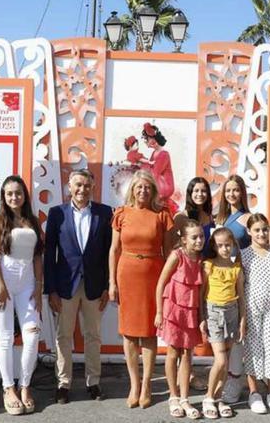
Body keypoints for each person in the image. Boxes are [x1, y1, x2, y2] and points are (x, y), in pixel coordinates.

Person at [44, 169, 113, 404]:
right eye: (78, 185)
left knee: (93, 335)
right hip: (64, 286)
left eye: (86, 185)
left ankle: (93, 382)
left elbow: (108, 254)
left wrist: (106, 286)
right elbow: (49, 254)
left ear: (92, 187)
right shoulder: (56, 214)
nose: (82, 189)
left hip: (94, 286)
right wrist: (50, 289)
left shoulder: (104, 213)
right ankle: (63, 384)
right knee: (63, 336)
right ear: (69, 187)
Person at [109, 170, 175, 409]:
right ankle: (134, 385)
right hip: (126, 274)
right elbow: (114, 250)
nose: (143, 191)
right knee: (128, 333)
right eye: (139, 187)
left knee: (148, 332)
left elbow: (168, 253)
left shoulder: (162, 215)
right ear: (132, 190)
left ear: (153, 191)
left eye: (147, 187)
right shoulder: (121, 214)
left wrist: (169, 285)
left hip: (153, 277)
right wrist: (111, 283)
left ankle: (147, 384)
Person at [0, 175, 44, 415]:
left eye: (18, 193)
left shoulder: (32, 220)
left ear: (24, 195)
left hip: (28, 283)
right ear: (3, 196)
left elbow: (38, 256)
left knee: (32, 335)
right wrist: (0, 286)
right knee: (6, 337)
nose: (14, 197)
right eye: (9, 193)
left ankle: (25, 386)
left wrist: (39, 288)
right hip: (2, 282)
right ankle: (8, 388)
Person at [155, 219, 205, 419]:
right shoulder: (176, 256)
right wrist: (159, 312)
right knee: (173, 352)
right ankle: (173, 396)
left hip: (191, 311)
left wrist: (201, 316)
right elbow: (160, 284)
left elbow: (200, 293)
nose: (199, 240)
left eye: (201, 236)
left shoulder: (201, 260)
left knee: (188, 354)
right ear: (184, 240)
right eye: (194, 237)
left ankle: (185, 397)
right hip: (173, 310)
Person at [241, 214, 270, 415]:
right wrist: (242, 315)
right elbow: (240, 287)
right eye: (257, 230)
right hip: (251, 307)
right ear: (249, 232)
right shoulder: (243, 255)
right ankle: (254, 393)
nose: (261, 233)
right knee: (252, 348)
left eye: (265, 229)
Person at [174, 176, 215, 392]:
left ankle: (188, 372)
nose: (200, 194)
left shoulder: (209, 216)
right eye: (196, 191)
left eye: (204, 191)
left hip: (206, 274)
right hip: (187, 277)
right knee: (184, 326)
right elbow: (174, 247)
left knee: (196, 324)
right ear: (190, 194)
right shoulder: (181, 217)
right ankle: (186, 375)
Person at [200, 228, 245, 419]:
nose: (225, 249)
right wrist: (202, 318)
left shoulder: (236, 268)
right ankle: (208, 397)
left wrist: (242, 321)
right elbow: (201, 295)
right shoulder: (208, 265)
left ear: (233, 245)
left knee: (226, 358)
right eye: (220, 245)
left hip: (232, 313)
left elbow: (241, 297)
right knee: (221, 360)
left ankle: (219, 398)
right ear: (214, 246)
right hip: (213, 312)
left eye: (228, 245)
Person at [215, 174, 251, 403]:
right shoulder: (220, 217)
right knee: (223, 333)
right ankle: (222, 378)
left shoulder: (248, 218)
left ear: (242, 192)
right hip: (221, 283)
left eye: (236, 190)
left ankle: (235, 381)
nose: (232, 194)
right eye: (228, 190)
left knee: (238, 333)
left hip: (240, 280)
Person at [137, 122, 178, 214]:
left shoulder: (163, 154)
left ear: (153, 139)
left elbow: (155, 172)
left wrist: (141, 165)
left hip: (162, 191)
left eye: (146, 139)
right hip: (156, 192)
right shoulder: (155, 153)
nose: (145, 142)